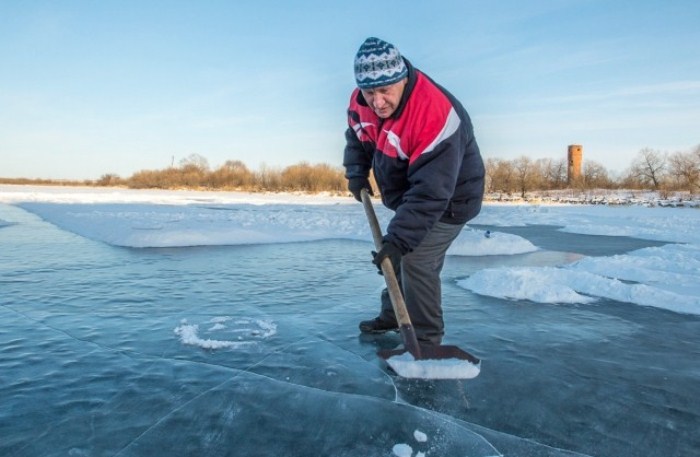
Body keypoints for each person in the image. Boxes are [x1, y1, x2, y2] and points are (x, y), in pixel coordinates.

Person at [344, 37, 485, 346]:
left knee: (415, 258)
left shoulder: (433, 114)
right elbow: (357, 137)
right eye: (370, 92)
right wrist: (356, 172)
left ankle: (424, 341)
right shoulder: (360, 102)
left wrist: (399, 242)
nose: (377, 102)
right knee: (395, 254)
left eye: (385, 91)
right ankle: (394, 313)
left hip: (450, 198)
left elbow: (431, 193)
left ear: (402, 79)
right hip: (412, 194)